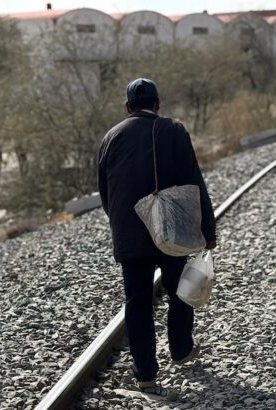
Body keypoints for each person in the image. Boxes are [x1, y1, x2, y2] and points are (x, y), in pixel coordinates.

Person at [98, 78, 216, 398]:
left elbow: (105, 192)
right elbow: (194, 183)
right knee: (179, 290)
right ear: (158, 104)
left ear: (127, 108)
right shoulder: (174, 131)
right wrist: (208, 230)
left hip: (129, 231)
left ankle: (146, 375)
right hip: (171, 229)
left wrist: (122, 224)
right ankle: (180, 349)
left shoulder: (111, 137)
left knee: (137, 304)